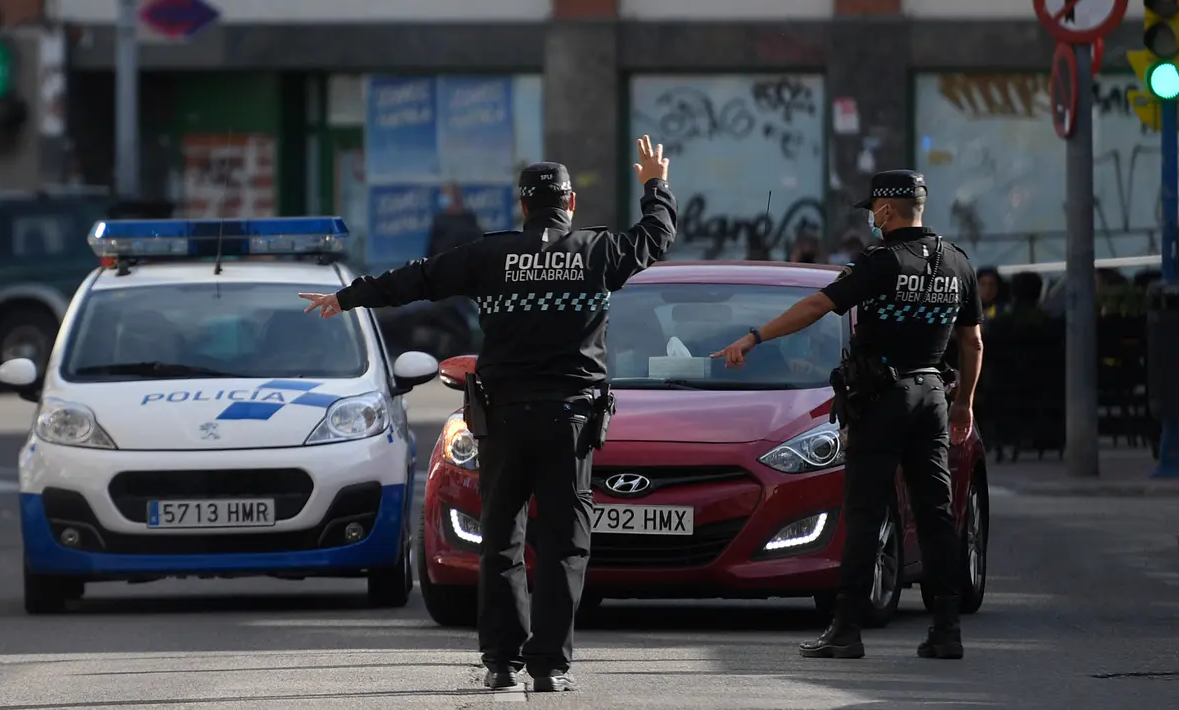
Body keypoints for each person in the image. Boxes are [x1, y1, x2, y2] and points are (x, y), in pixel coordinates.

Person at [299, 135, 678, 692]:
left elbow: (418, 278)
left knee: (501, 539)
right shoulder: (598, 252)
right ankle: (549, 667)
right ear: (570, 204)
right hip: (570, 423)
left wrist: (350, 296)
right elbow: (657, 237)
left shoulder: (488, 255)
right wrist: (655, 182)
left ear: (522, 206)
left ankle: (501, 663)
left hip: (502, 421)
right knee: (564, 544)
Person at [710, 169, 983, 661]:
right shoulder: (957, 264)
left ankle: (846, 629)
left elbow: (819, 304)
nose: (871, 218)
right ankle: (946, 629)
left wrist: (754, 338)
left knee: (863, 511)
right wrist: (964, 404)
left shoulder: (881, 263)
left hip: (884, 398)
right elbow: (972, 341)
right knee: (937, 513)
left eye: (872, 209)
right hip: (932, 394)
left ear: (885, 209)